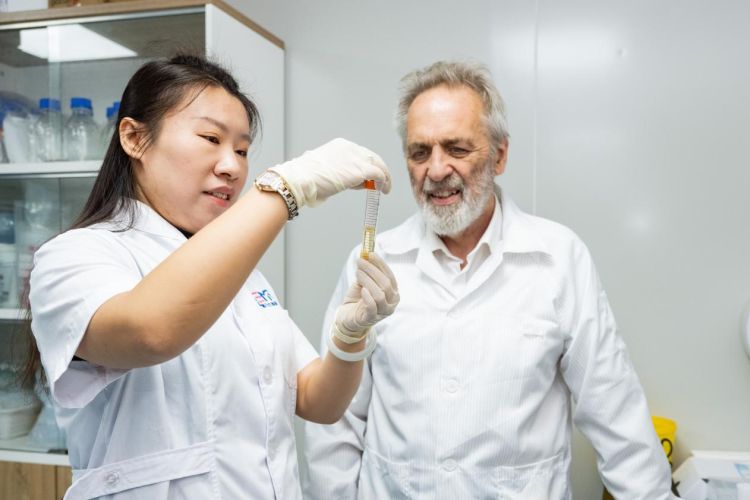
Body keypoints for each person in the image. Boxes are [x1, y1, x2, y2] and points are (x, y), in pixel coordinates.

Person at [25, 54, 399, 500]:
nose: (232, 166)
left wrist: (349, 338)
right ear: (134, 138)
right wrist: (285, 188)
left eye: (242, 150)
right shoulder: (76, 255)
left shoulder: (243, 276)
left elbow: (320, 402)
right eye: (210, 139)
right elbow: (150, 331)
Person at [303, 60, 678, 499]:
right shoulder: (373, 262)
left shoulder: (558, 259)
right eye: (420, 152)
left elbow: (616, 414)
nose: (436, 170)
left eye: (457, 149)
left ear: (499, 155)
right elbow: (335, 427)